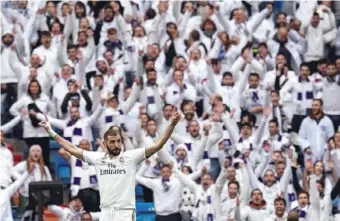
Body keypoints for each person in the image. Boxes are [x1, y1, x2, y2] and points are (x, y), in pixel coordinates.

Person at [38, 112, 181, 221]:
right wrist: (51, 131)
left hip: (126, 212)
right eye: (112, 142)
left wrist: (172, 125)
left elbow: (158, 145)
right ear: (105, 145)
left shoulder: (130, 157)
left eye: (118, 141)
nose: (116, 144)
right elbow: (72, 148)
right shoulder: (98, 158)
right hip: (106, 212)